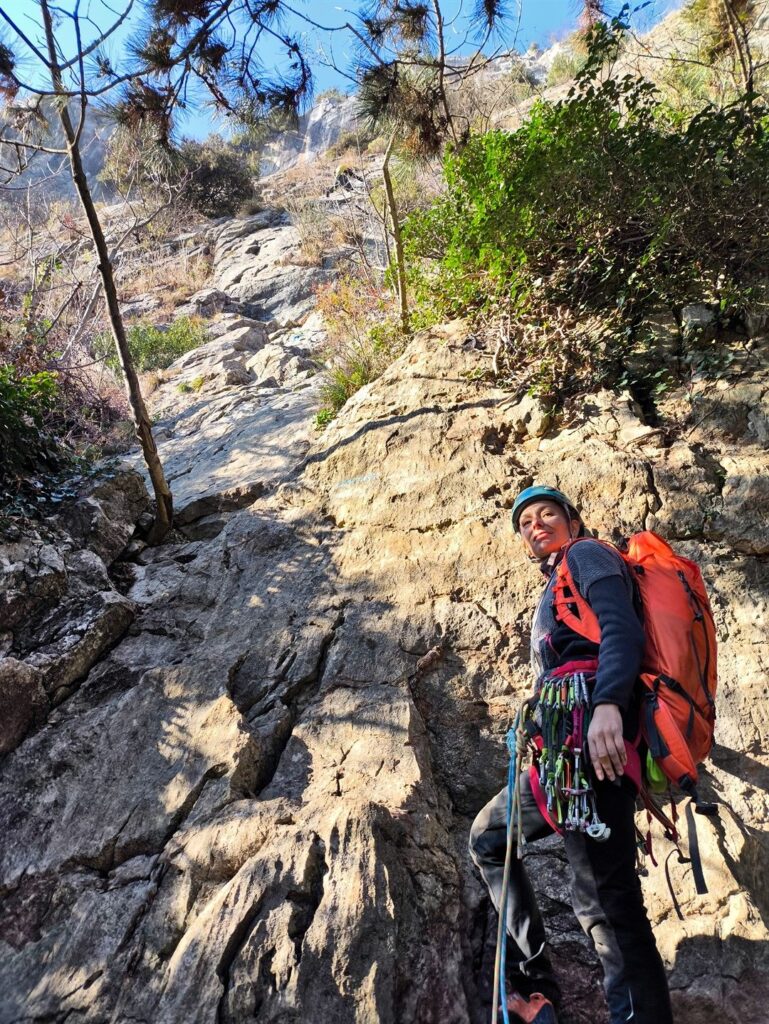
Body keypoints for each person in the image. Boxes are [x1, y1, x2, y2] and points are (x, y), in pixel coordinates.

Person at [469, 485, 673, 1024]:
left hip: (593, 739)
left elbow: (620, 629)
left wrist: (608, 704)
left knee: (606, 899)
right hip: (561, 752)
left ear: (573, 522)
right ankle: (539, 990)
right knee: (490, 839)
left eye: (548, 515)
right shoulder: (555, 584)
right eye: (526, 522)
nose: (536, 525)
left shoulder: (587, 555)